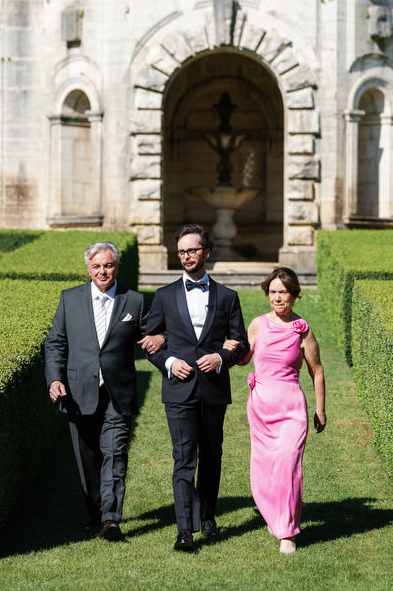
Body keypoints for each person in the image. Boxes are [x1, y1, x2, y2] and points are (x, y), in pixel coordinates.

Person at [45, 241, 163, 541]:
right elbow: (56, 343)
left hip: (117, 393)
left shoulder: (133, 301)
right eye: (97, 266)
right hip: (76, 391)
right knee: (88, 459)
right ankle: (95, 512)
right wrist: (54, 379)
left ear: (117, 268)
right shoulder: (69, 299)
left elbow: (150, 335)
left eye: (108, 265)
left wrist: (161, 339)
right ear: (88, 269)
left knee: (115, 453)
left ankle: (111, 519)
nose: (102, 271)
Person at [145, 224, 249, 552]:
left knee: (212, 454)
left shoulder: (228, 297)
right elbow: (149, 343)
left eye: (193, 250)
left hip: (214, 388)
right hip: (178, 390)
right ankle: (184, 530)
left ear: (206, 252)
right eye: (182, 252)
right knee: (183, 458)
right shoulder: (163, 296)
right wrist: (168, 363)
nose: (187, 256)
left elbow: (242, 343)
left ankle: (208, 516)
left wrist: (220, 357)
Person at [224, 267, 326, 554]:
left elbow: (316, 370)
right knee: (265, 468)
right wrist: (231, 348)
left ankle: (287, 532)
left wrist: (320, 409)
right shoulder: (257, 325)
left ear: (293, 294)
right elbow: (244, 360)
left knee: (288, 463)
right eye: (273, 292)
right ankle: (277, 513)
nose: (277, 298)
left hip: (292, 406)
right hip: (261, 407)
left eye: (283, 292)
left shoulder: (302, 329)